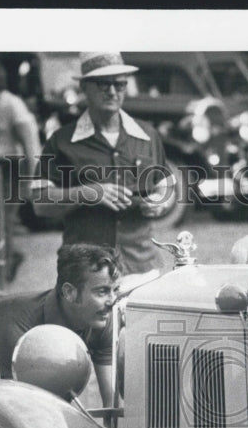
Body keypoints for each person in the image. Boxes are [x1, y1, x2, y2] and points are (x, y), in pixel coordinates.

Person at [32, 52, 177, 275]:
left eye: (119, 85)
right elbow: (40, 202)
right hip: (85, 272)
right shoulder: (61, 141)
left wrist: (161, 201)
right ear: (84, 88)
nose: (112, 92)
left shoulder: (148, 135)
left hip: (142, 267)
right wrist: (87, 193)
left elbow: (166, 185)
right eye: (102, 84)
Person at [0, 243, 121, 407]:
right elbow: (16, 410)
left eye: (116, 290)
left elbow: (113, 404)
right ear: (69, 293)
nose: (112, 301)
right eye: (102, 291)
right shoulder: (13, 325)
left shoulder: (100, 316)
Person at [0, 58, 43, 282]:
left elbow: (30, 141)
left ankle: (5, 266)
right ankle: (6, 258)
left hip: (9, 167)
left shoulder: (12, 104)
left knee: (2, 220)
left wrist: (35, 176)